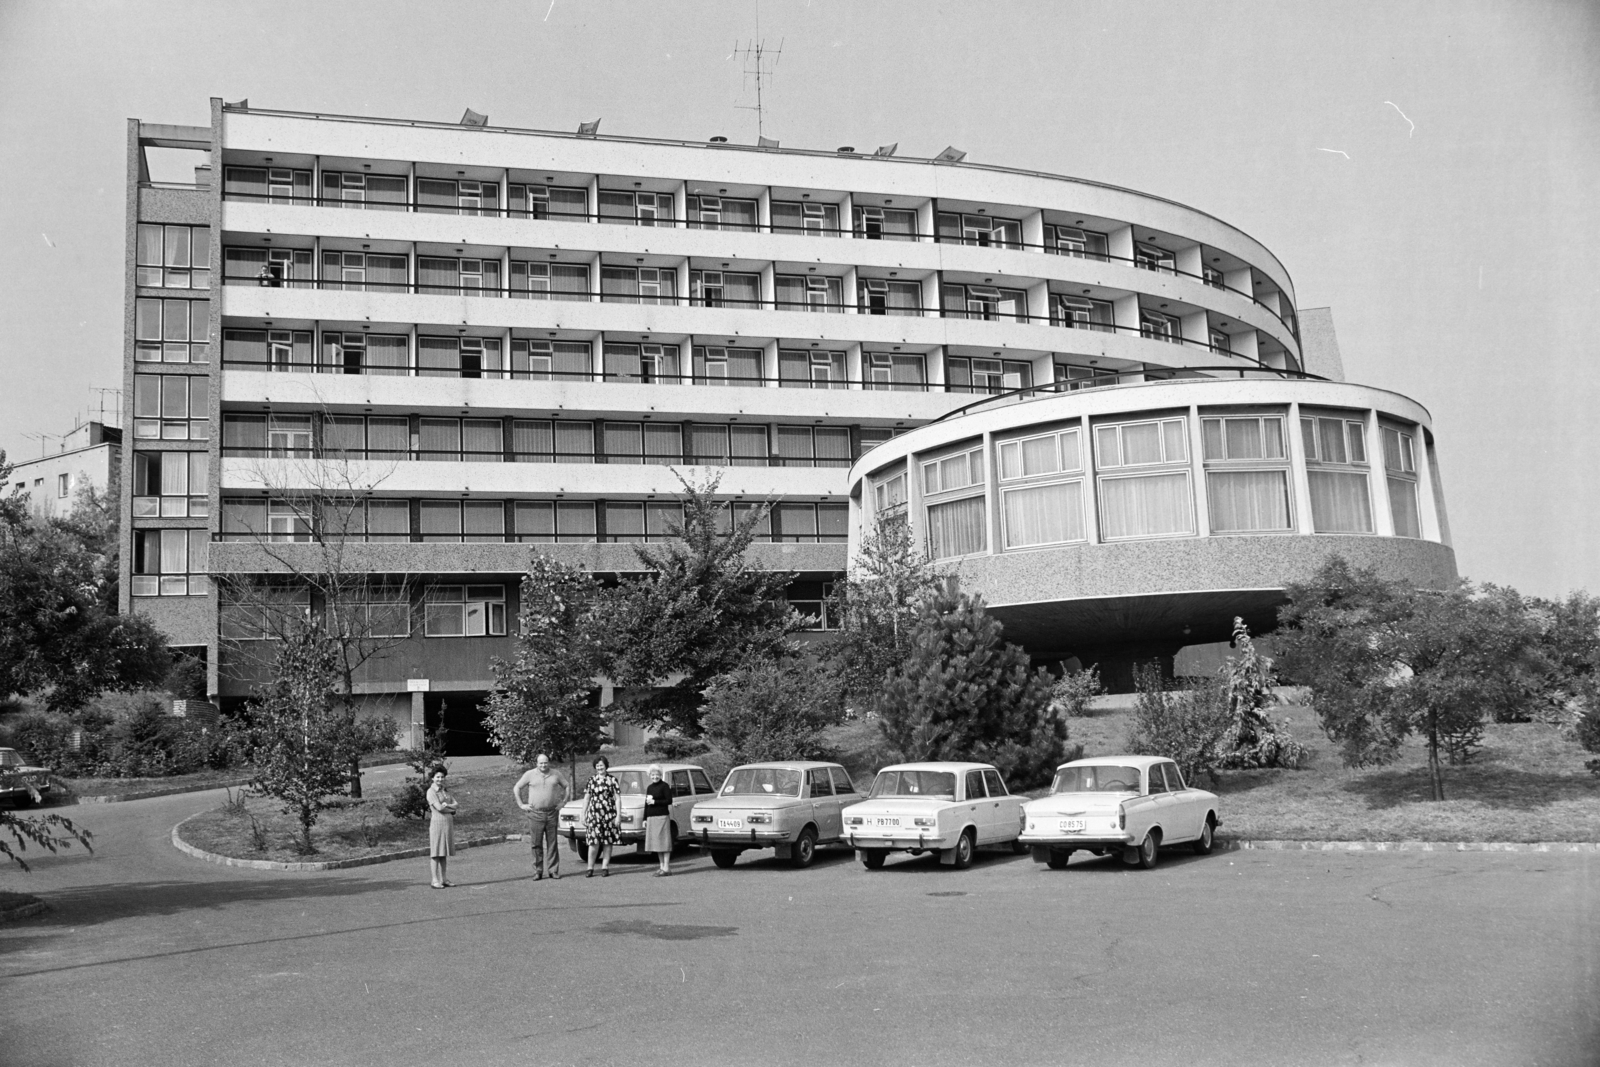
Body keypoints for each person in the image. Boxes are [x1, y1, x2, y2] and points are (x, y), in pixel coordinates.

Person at [512, 753, 569, 880]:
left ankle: (553, 870)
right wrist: (521, 804)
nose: (543, 765)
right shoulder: (529, 774)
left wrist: (563, 802)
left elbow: (566, 786)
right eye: (541, 763)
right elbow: (517, 788)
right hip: (535, 814)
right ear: (536, 764)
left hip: (552, 813)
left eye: (545, 762)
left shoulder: (556, 774)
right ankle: (538, 871)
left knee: (552, 843)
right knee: (536, 843)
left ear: (549, 762)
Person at [581, 756, 621, 878]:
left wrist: (618, 815)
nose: (600, 768)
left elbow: (617, 799)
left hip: (609, 815)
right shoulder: (591, 780)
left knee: (607, 842)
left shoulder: (612, 780)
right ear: (595, 767)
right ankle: (590, 868)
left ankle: (605, 867)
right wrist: (583, 814)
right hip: (594, 815)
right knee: (593, 843)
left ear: (606, 766)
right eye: (597, 766)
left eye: (601, 765)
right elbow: (586, 798)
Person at [426, 765, 458, 888]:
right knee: (435, 853)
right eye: (437, 777)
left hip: (447, 825)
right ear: (433, 778)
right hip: (437, 824)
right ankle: (435, 880)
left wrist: (448, 806)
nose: (440, 779)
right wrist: (451, 809)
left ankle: (444, 878)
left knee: (443, 852)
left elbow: (456, 804)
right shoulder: (431, 792)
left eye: (442, 777)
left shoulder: (444, 790)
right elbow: (439, 808)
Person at [643, 764, 674, 877]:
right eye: (653, 774)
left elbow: (669, 800)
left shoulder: (665, 786)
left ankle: (667, 868)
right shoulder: (649, 787)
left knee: (664, 843)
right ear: (649, 775)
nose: (655, 777)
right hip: (651, 818)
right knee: (656, 844)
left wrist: (655, 802)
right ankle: (661, 867)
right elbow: (646, 804)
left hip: (662, 817)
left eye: (657, 774)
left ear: (661, 775)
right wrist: (644, 818)